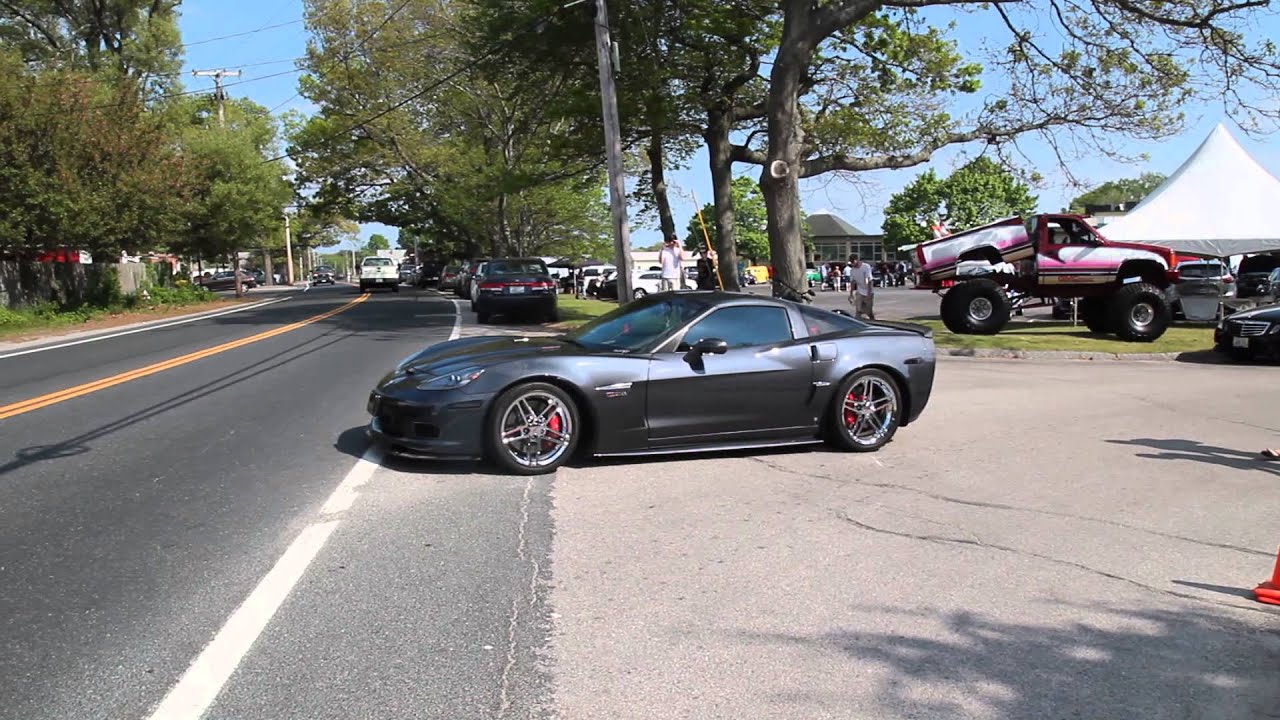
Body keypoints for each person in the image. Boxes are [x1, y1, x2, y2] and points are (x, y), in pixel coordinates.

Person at [846, 254, 875, 320]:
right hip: (860, 291)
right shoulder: (852, 270)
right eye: (851, 262)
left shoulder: (866, 266)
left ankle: (872, 320)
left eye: (853, 262)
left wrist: (869, 293)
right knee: (858, 309)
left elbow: (869, 280)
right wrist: (851, 294)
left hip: (868, 291)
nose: (852, 264)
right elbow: (852, 282)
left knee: (868, 311)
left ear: (857, 260)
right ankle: (857, 321)